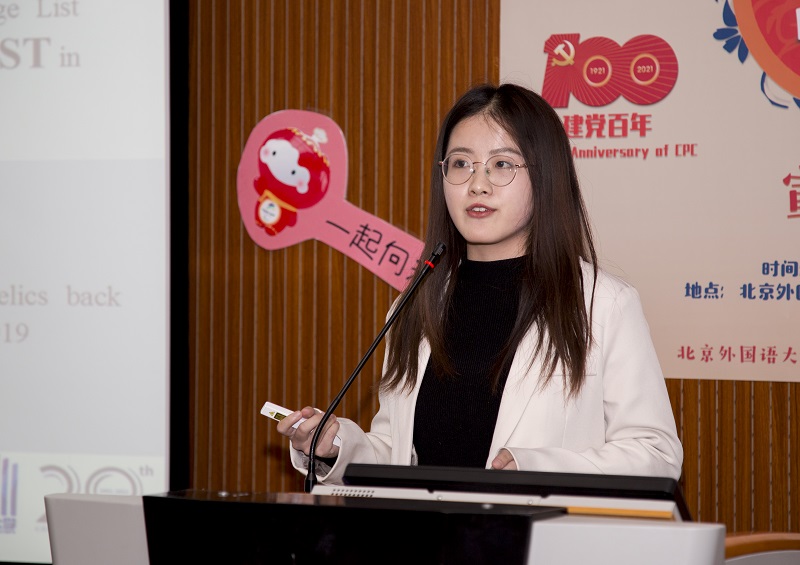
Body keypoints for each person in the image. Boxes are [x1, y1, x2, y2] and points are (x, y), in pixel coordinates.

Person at [277, 83, 683, 484]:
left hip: (536, 527)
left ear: (546, 175)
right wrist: (336, 447)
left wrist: (536, 468)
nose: (477, 184)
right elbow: (399, 452)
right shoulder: (416, 304)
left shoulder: (603, 305)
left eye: (502, 164)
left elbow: (656, 455)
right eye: (461, 163)